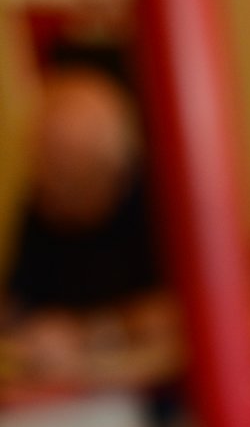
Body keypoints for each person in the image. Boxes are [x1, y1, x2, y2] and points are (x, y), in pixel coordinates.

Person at [1, 58, 179, 386]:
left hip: (145, 395)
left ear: (109, 168)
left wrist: (86, 333)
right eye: (41, 160)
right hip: (59, 395)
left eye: (63, 167)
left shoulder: (163, 202)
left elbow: (178, 311)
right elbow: (16, 300)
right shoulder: (41, 203)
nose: (45, 179)